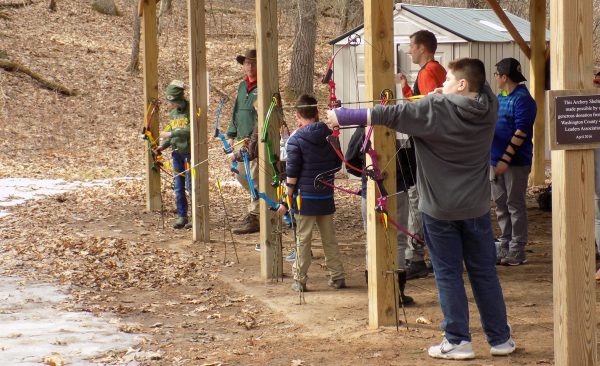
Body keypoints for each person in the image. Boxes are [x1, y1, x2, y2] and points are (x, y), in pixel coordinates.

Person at [328, 58, 515, 359]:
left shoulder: (434, 110)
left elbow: (389, 113)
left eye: (449, 80)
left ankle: (458, 341)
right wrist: (447, 93)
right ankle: (500, 340)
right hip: (477, 208)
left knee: (448, 274)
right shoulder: (489, 107)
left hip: (440, 212)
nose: (443, 85)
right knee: (484, 273)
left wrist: (340, 115)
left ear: (463, 85)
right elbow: (483, 86)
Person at [278, 94, 345, 292]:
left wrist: (285, 199)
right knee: (329, 239)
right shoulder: (330, 136)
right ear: (316, 113)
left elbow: (292, 174)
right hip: (325, 195)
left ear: (298, 115)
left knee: (303, 239)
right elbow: (337, 163)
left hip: (304, 198)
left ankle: (300, 280)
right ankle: (337, 276)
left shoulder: (295, 140)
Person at [395, 29, 447, 280]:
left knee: (418, 198)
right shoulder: (436, 71)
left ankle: (416, 256)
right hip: (436, 146)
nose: (409, 50)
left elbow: (428, 113)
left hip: (427, 147)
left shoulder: (428, 72)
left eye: (411, 46)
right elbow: (423, 103)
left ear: (423, 48)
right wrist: (406, 90)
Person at [344, 127, 414, 305]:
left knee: (387, 240)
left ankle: (392, 292)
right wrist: (368, 176)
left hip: (393, 191)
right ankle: (383, 292)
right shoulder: (395, 126)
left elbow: (413, 160)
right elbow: (351, 160)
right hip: (384, 192)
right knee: (383, 240)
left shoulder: (394, 127)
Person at [491, 58, 537, 266]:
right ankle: (505, 243)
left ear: (504, 77)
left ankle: (518, 249)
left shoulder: (523, 99)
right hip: (495, 160)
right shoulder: (500, 96)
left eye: (497, 75)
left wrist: (506, 158)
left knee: (514, 205)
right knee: (500, 204)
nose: (495, 78)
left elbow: (521, 131)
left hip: (515, 163)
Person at [227, 49, 260, 235]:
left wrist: (253, 139)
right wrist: (231, 134)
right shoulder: (242, 86)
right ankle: (262, 206)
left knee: (254, 176)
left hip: (255, 141)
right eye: (246, 63)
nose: (249, 66)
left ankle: (256, 215)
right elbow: (236, 111)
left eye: (253, 63)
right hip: (241, 140)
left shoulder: (264, 85)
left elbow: (265, 117)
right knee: (242, 175)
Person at [154, 80, 191, 229]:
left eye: (173, 101)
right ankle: (182, 216)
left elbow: (190, 130)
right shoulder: (173, 114)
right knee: (178, 186)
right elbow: (172, 136)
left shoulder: (190, 110)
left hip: (189, 152)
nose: (172, 105)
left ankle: (196, 217)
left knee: (191, 186)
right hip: (176, 154)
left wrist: (170, 133)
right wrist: (162, 147)